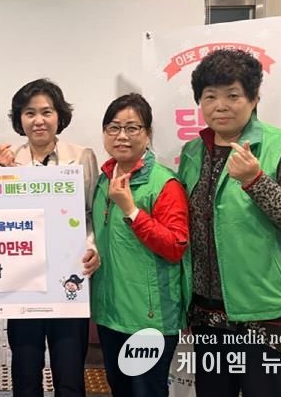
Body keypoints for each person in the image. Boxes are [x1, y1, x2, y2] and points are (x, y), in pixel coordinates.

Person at [178, 49, 281, 397]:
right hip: (208, 313)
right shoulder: (193, 152)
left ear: (254, 98)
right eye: (210, 96)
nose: (220, 106)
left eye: (233, 95)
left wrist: (256, 181)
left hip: (266, 312)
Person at [0, 78, 99, 397]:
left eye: (46, 112)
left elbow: (91, 212)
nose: (38, 120)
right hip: (23, 282)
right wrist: (3, 176)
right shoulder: (7, 160)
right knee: (25, 372)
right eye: (29, 113)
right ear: (19, 119)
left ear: (59, 116)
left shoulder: (81, 156)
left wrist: (91, 248)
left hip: (69, 277)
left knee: (69, 373)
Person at [91, 93, 189, 397]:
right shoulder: (103, 179)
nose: (122, 136)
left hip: (148, 319)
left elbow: (175, 246)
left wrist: (131, 210)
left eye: (132, 128)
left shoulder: (164, 183)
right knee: (119, 390)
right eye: (113, 127)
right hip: (110, 313)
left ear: (147, 134)